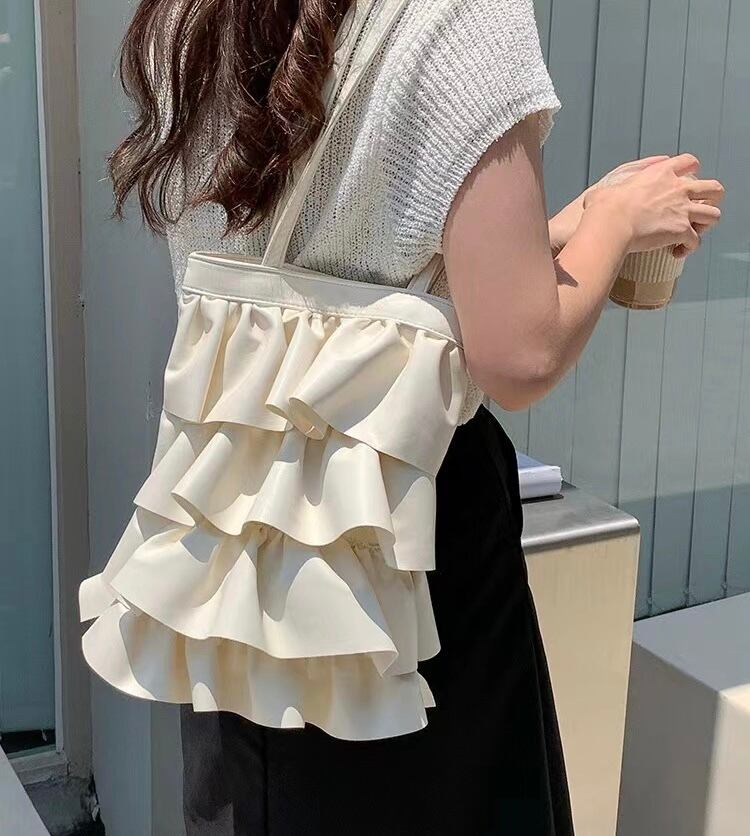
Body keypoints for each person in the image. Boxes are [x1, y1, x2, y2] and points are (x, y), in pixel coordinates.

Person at [81, 0, 724, 833]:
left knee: (256, 796)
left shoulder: (191, 12)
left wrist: (554, 234)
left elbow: (335, 261)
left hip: (233, 503)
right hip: (400, 518)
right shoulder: (462, 18)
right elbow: (521, 353)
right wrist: (616, 221)